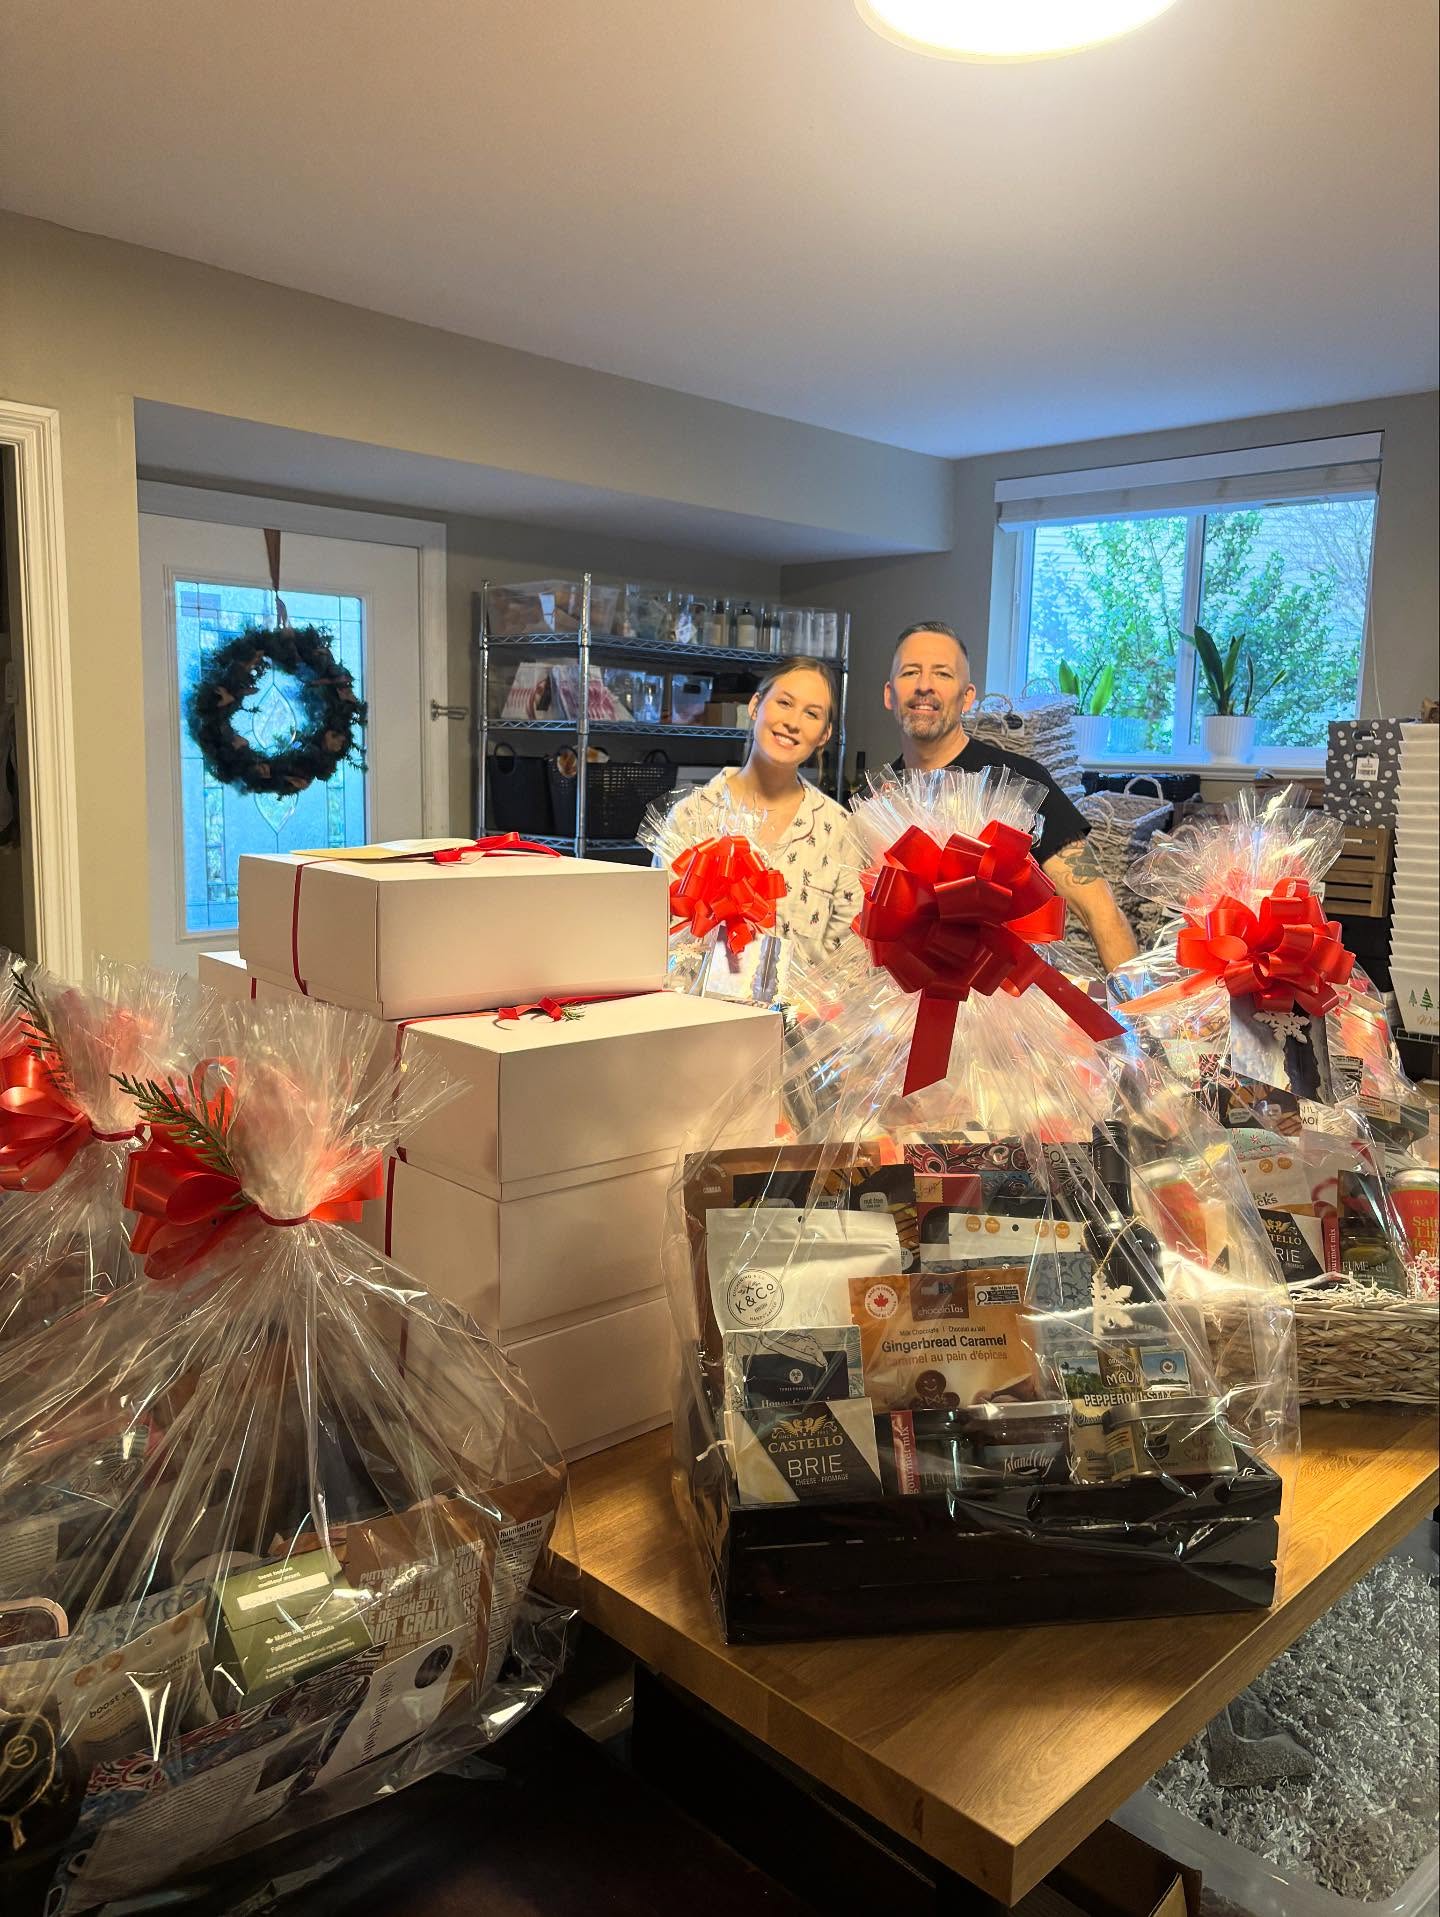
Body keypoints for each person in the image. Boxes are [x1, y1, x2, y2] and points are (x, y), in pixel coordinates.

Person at [884, 621, 1138, 971]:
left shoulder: (1021, 785)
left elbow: (1099, 909)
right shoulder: (877, 800)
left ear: (968, 697)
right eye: (910, 672)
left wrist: (1144, 1019)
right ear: (889, 694)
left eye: (942, 674)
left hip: (1004, 1005)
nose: (924, 685)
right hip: (899, 1005)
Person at [660, 657, 863, 966]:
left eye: (811, 714)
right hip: (696, 1011)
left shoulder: (839, 830)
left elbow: (846, 958)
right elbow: (658, 931)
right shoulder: (691, 815)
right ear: (755, 706)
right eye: (784, 702)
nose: (793, 722)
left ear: (824, 734)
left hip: (802, 1015)